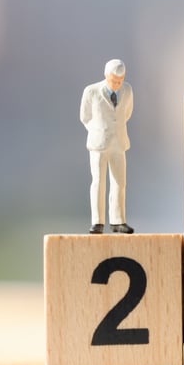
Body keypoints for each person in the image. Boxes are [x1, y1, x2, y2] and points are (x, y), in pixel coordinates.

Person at [80, 59, 134, 234]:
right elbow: (85, 116)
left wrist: (115, 129)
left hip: (119, 142)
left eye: (120, 80)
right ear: (106, 75)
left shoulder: (127, 90)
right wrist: (98, 130)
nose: (117, 84)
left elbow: (126, 113)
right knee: (98, 182)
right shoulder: (91, 91)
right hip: (99, 143)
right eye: (113, 80)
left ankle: (118, 220)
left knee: (120, 182)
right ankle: (98, 222)